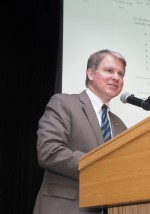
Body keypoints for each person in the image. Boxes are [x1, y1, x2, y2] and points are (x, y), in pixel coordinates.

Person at [33, 49, 128, 214]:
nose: (116, 77)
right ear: (90, 73)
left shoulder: (119, 124)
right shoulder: (64, 103)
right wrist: (98, 166)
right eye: (109, 70)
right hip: (65, 207)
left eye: (120, 73)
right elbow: (49, 151)